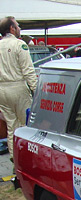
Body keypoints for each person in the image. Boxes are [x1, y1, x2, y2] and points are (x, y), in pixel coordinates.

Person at [0, 16, 37, 159]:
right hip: (18, 88)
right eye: (18, 26)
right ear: (12, 28)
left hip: (2, 91)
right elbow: (28, 71)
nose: (19, 28)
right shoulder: (19, 45)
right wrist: (36, 91)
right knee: (26, 127)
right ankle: (26, 159)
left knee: (11, 128)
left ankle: (15, 159)